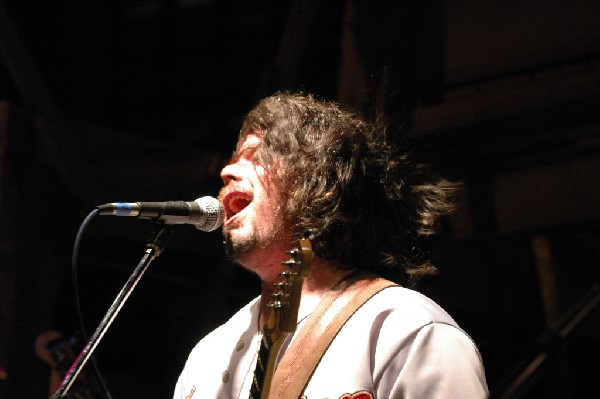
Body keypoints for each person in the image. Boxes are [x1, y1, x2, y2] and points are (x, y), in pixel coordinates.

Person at [173, 92, 488, 399]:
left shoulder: (404, 328)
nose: (226, 172)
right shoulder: (209, 358)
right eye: (231, 161)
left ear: (314, 181)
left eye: (256, 157)